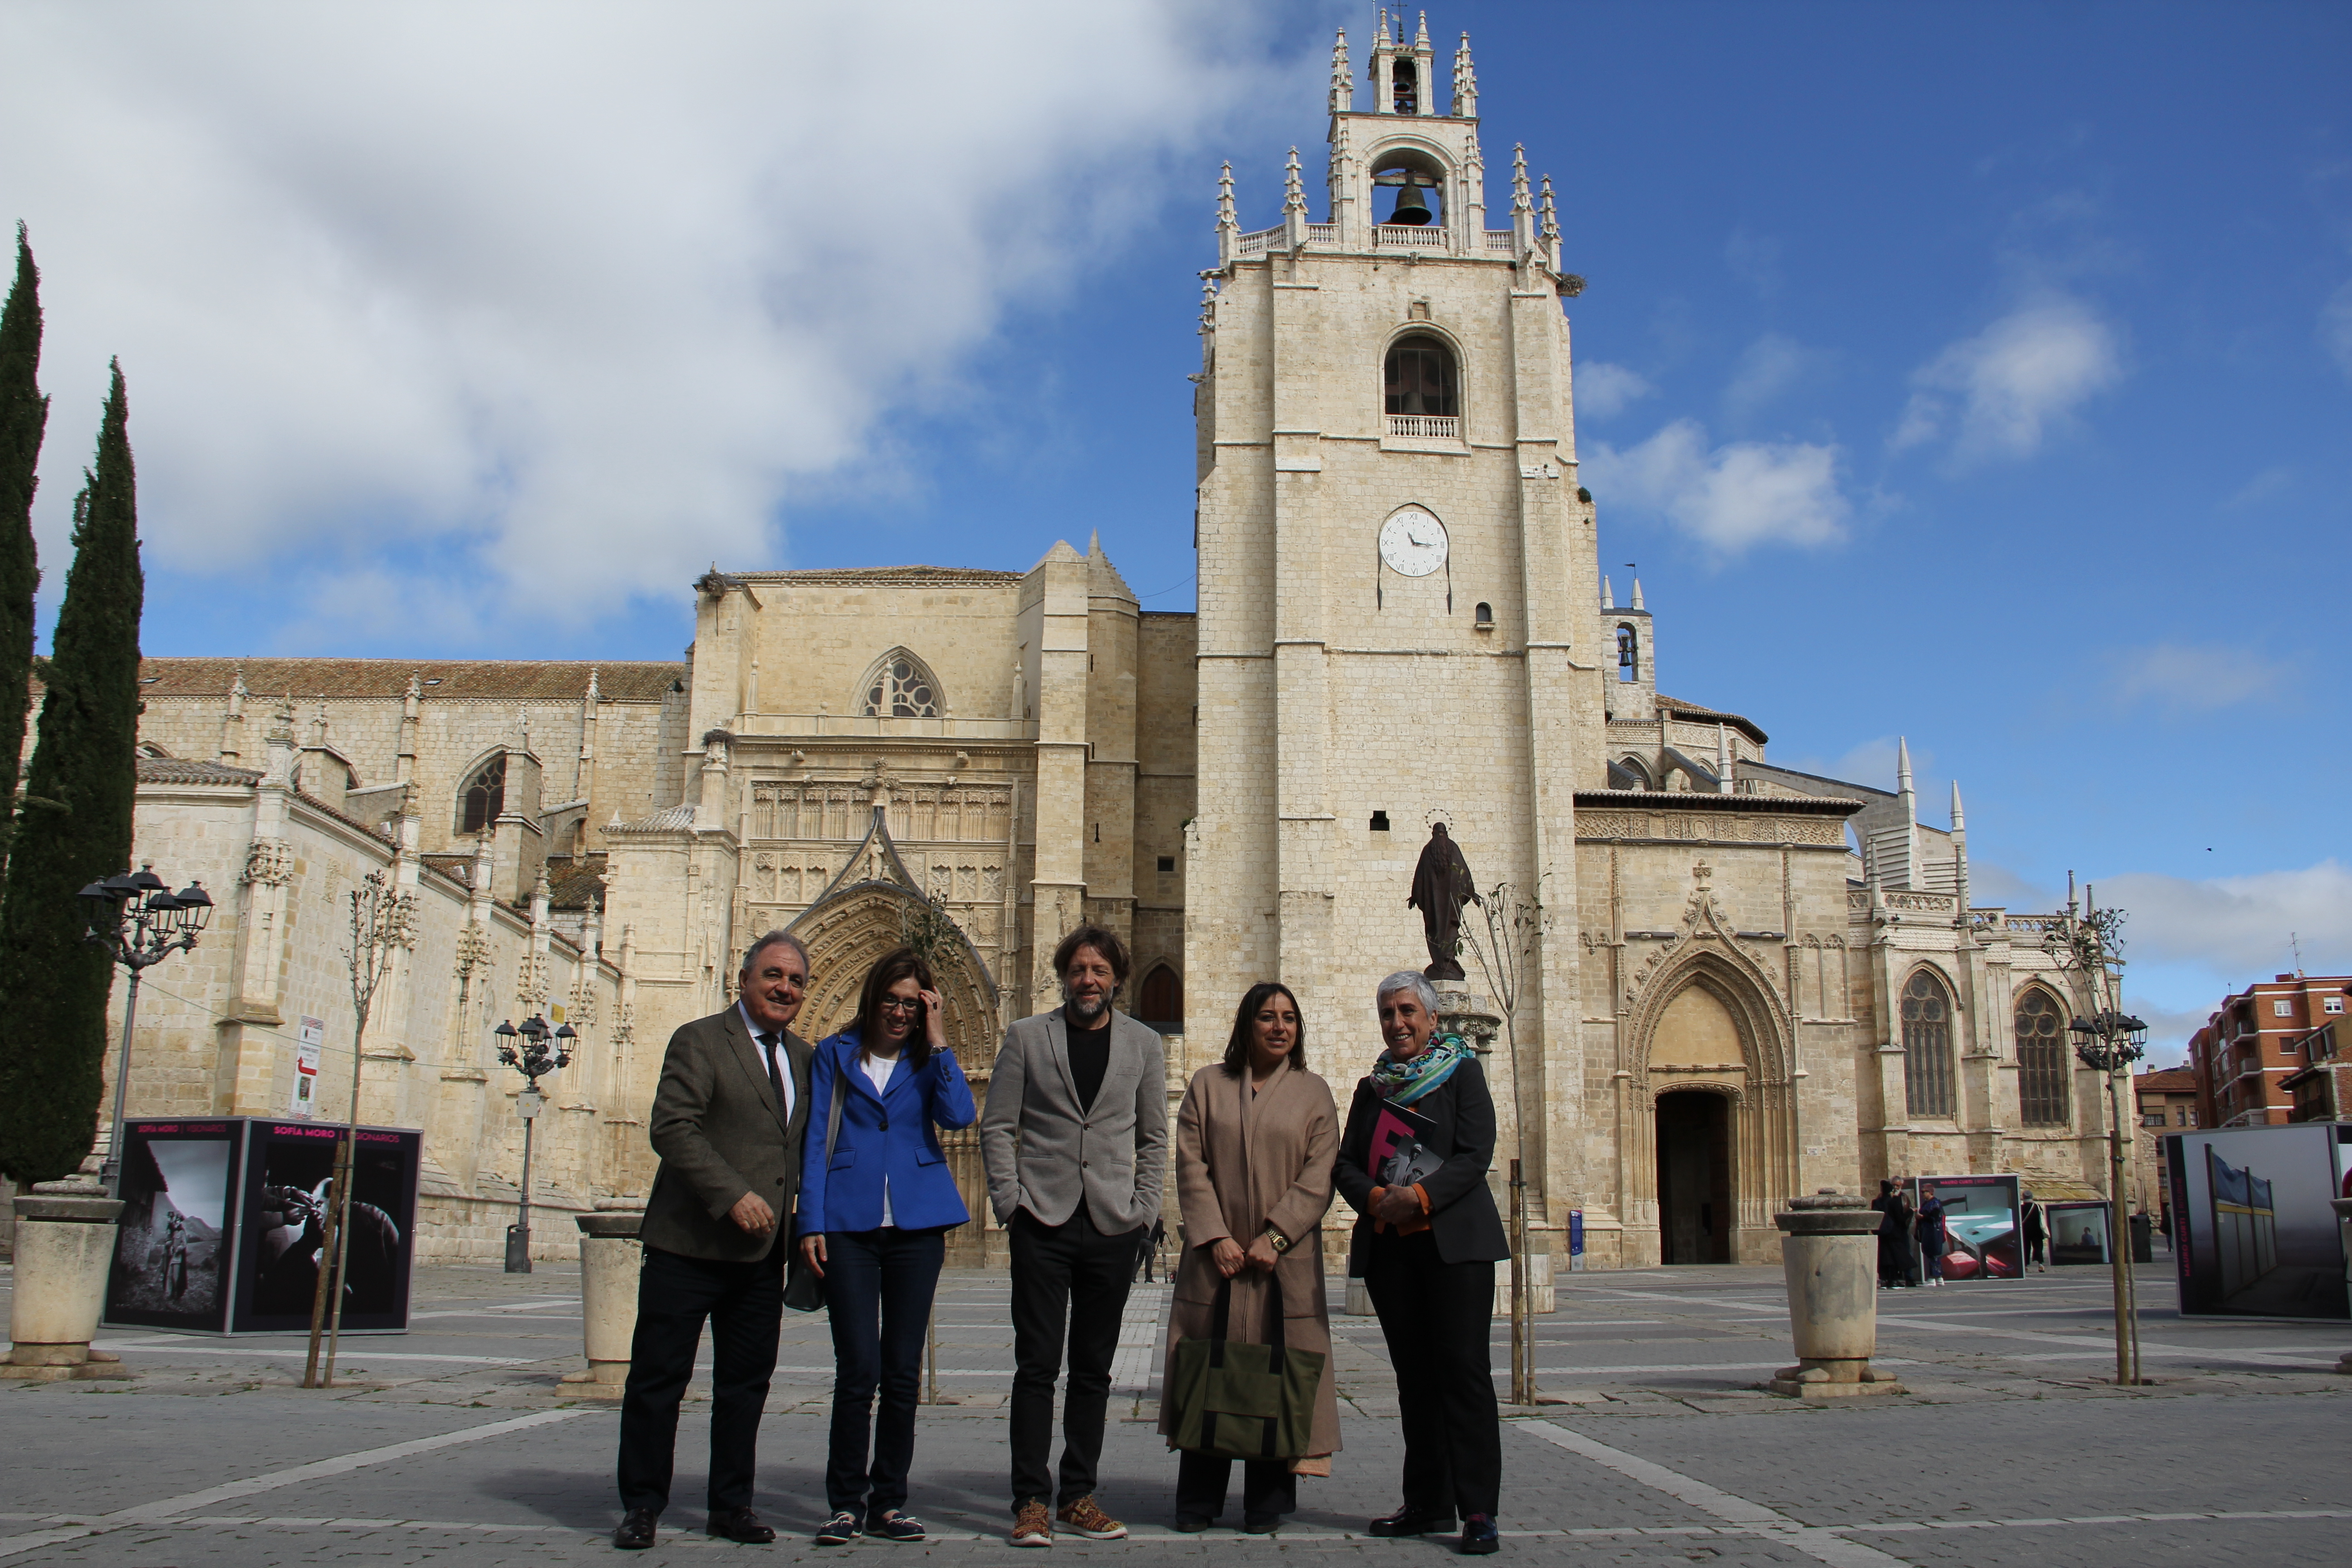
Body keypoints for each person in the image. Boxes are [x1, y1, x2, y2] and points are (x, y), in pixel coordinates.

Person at [612, 932, 814, 1551]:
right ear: (744, 979)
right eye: (773, 976)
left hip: (759, 1256)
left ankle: (731, 1505)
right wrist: (731, 1195)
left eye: (796, 981)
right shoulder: (699, 1040)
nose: (785, 989)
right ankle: (643, 1505)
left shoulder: (804, 1058)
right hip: (689, 1246)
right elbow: (673, 1128)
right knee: (658, 1380)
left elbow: (801, 1147)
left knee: (745, 1385)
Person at [980, 924, 1169, 1548]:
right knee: (1036, 1367)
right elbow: (998, 1126)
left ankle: (1079, 1495)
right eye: (1079, 969)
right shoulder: (1028, 1037)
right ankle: (1031, 1500)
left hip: (1113, 1226)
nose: (1089, 979)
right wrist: (1012, 1205)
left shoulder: (1143, 1044)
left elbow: (1152, 1137)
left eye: (1100, 970)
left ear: (1117, 978)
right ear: (1064, 975)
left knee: (1093, 1371)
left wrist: (1143, 1212)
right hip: (1044, 1223)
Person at [798, 946, 979, 1546]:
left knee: (902, 1372)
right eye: (893, 1001)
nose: (900, 1012)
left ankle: (890, 1502)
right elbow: (816, 1140)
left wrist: (941, 1035)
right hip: (848, 1225)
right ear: (872, 999)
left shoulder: (931, 1060)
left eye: (913, 1003)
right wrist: (810, 1223)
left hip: (916, 1226)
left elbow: (959, 1117)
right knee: (858, 1369)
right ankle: (845, 1503)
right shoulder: (834, 1053)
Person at [1333, 971, 1509, 1557]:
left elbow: (1475, 1153)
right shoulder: (1372, 1088)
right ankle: (1427, 1502)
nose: (1397, 1022)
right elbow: (1347, 1165)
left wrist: (1422, 1197)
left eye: (1408, 1011)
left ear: (1432, 1020)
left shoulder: (1462, 1073)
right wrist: (1380, 1199)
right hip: (1394, 1251)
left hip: (1455, 1249)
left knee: (1463, 1375)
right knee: (1415, 1381)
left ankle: (1478, 1508)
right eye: (1388, 1013)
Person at [1159, 982, 1341, 1534]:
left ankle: (1267, 1500)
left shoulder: (1315, 1094)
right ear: (1247, 1025)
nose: (1279, 1027)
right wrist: (1214, 1237)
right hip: (1218, 1261)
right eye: (1267, 1017)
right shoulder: (1207, 1086)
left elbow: (1320, 1175)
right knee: (1207, 1371)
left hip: (1280, 1266)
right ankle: (1198, 1500)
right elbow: (1191, 1166)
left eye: (1289, 1018)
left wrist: (1276, 1236)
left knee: (1276, 1376)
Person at [1875, 1180, 1914, 1289]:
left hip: (1882, 1233)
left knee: (1885, 1256)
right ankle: (1895, 1280)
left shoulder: (1877, 1202)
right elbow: (1900, 1219)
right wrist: (1911, 1211)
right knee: (1897, 1256)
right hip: (1895, 1233)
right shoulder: (1894, 1202)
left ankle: (1885, 1280)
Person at [1916, 1185, 1948, 1288]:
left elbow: (1935, 1218)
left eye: (1924, 1192)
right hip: (1927, 1230)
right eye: (1922, 1192)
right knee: (1931, 1253)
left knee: (1933, 1253)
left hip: (1934, 1231)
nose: (1923, 1194)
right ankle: (1939, 1278)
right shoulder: (1927, 1203)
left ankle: (1933, 1277)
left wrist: (1922, 1217)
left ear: (1930, 1192)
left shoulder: (1935, 1203)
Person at [2021, 1191, 2048, 1273]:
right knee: (2038, 1247)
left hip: (2025, 1231)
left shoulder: (2021, 1208)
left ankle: (2025, 1266)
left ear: (2023, 1198)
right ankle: (2041, 1265)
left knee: (2026, 1248)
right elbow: (2042, 1220)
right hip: (2037, 1231)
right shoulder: (2037, 1207)